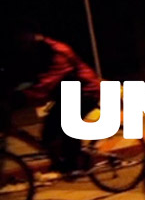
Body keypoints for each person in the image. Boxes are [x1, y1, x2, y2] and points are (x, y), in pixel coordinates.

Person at [3, 19, 101, 177]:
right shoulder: (34, 51)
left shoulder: (57, 51)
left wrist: (20, 97)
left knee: (67, 126)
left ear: (33, 34)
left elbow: (48, 82)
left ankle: (73, 165)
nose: (19, 41)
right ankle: (61, 161)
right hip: (67, 93)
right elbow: (24, 76)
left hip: (86, 91)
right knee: (48, 134)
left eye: (22, 36)